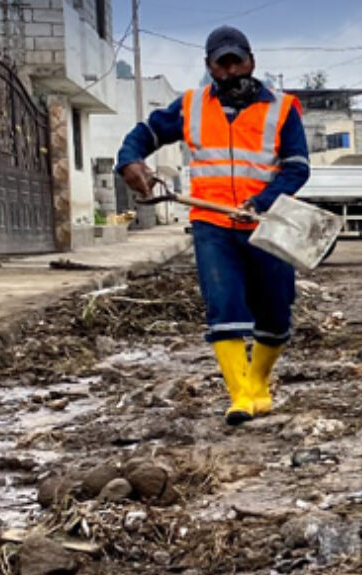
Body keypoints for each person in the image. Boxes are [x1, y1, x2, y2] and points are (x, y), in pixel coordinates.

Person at [116, 26, 309, 426]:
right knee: (224, 308)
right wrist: (129, 159)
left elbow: (296, 168)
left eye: (237, 60)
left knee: (275, 314)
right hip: (212, 223)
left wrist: (261, 201)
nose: (231, 69)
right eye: (222, 63)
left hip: (267, 223)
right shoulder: (190, 106)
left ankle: (258, 382)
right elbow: (144, 134)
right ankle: (239, 397)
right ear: (209, 67)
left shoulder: (283, 108)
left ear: (251, 62)